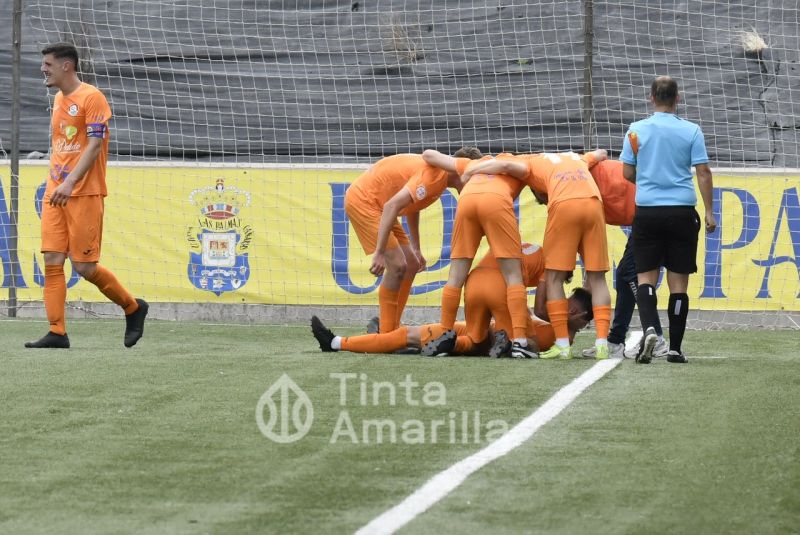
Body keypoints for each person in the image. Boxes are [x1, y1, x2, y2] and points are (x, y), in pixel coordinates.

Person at [25, 43, 148, 349]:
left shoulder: (92, 97)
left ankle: (133, 308)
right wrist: (56, 181)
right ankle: (57, 331)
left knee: (84, 267)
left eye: (48, 64)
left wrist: (70, 182)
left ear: (67, 66)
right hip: (56, 192)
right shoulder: (58, 99)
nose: (43, 68)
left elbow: (94, 146)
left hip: (83, 192)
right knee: (52, 259)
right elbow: (62, 145)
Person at [459, 149, 613, 360]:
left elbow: (504, 166)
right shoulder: (577, 157)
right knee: (597, 278)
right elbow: (601, 153)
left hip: (565, 205)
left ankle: (562, 346)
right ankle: (602, 343)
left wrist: (471, 170)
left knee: (553, 277)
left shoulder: (528, 163)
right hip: (594, 204)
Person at [310, 245, 593, 357]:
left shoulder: (537, 249)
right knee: (498, 343)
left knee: (415, 334)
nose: (561, 296)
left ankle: (338, 342)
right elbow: (542, 310)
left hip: (474, 280)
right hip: (497, 296)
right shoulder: (554, 267)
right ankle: (443, 345)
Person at [621, 76, 717, 364]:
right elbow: (703, 172)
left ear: (652, 98)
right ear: (678, 98)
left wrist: (650, 179)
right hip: (681, 212)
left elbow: (627, 173)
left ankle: (650, 329)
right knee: (679, 283)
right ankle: (675, 349)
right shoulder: (691, 131)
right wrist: (709, 211)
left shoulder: (636, 131)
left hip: (648, 212)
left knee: (646, 277)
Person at [346, 148, 482, 334]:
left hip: (381, 206)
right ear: (462, 171)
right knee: (397, 265)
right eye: (475, 179)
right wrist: (379, 253)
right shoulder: (434, 177)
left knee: (410, 264)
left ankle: (391, 325)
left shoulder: (439, 180)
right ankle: (386, 334)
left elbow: (411, 205)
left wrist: (416, 248)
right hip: (365, 201)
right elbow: (392, 206)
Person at [420, 150, 536, 359]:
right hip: (496, 202)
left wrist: (472, 168)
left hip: (466, 201)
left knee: (455, 276)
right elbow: (517, 169)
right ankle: (519, 341)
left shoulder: (470, 164)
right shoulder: (522, 163)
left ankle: (444, 334)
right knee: (513, 275)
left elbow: (428, 155)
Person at [579, 159, 669, 359]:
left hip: (652, 212)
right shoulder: (581, 170)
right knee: (624, 275)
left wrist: (589, 280)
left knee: (628, 273)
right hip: (652, 211)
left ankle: (658, 338)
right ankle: (616, 340)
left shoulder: (579, 188)